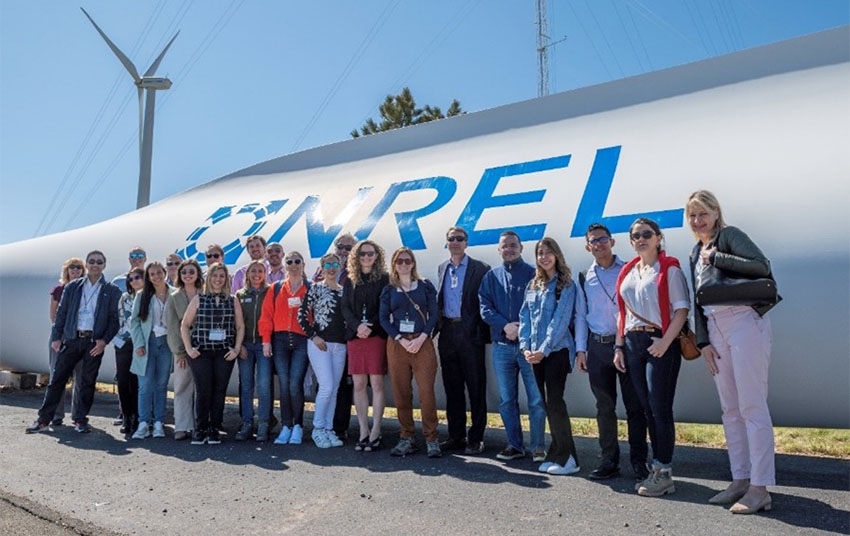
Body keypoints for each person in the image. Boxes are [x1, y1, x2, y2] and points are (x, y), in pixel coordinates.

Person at [687, 190, 777, 514]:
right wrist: (703, 342)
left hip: (743, 321)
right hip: (715, 329)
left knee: (752, 405)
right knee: (730, 409)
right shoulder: (694, 252)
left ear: (715, 213)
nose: (698, 221)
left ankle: (759, 488)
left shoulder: (729, 237)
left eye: (703, 214)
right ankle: (740, 479)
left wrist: (718, 258)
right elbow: (698, 299)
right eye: (692, 216)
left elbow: (760, 266)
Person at [614, 218, 690, 497]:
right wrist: (619, 347)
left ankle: (664, 471)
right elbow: (623, 313)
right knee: (646, 409)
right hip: (632, 343)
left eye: (647, 234)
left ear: (658, 238)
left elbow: (682, 309)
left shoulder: (669, 268)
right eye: (636, 236)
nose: (641, 239)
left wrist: (665, 342)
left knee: (660, 409)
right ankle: (656, 469)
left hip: (660, 340)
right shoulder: (628, 271)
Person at [574, 223, 649, 481]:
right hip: (597, 347)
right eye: (594, 241)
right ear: (587, 246)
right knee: (604, 407)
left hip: (627, 345)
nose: (599, 244)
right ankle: (609, 460)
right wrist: (581, 349)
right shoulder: (585, 276)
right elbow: (581, 316)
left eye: (603, 239)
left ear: (612, 242)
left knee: (635, 406)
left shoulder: (630, 269)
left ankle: (639, 462)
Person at [27, 250, 121, 434]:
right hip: (71, 339)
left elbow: (114, 320)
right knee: (57, 380)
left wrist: (103, 342)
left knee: (87, 382)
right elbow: (61, 313)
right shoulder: (73, 287)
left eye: (99, 262)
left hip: (93, 343)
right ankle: (43, 420)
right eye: (91, 261)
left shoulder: (111, 291)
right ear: (87, 264)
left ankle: (80, 420)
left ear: (104, 266)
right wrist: (56, 337)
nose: (95, 264)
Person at [519, 237, 586, 475]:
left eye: (548, 252)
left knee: (556, 402)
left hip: (556, 352)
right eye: (540, 253)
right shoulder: (533, 285)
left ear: (556, 255)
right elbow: (525, 317)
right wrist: (525, 346)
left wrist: (543, 350)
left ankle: (570, 458)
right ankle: (556, 453)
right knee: (547, 403)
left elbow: (559, 323)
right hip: (535, 354)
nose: (544, 257)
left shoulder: (565, 285)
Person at [479, 231, 546, 462]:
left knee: (536, 399)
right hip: (502, 347)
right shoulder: (491, 277)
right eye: (505, 246)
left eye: (513, 245)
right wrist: (505, 325)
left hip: (528, 348)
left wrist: (522, 328)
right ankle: (514, 445)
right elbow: (484, 307)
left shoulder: (533, 274)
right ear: (499, 250)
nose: (509, 249)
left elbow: (541, 307)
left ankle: (537, 447)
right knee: (507, 400)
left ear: (521, 247)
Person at [379, 248, 441, 458]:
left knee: (426, 393)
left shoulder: (425, 286)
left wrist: (423, 337)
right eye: (399, 261)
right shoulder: (389, 289)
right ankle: (407, 436)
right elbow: (384, 319)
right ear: (394, 265)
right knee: (401, 392)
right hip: (398, 344)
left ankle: (431, 438)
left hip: (422, 342)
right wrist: (400, 340)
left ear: (413, 263)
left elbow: (434, 314)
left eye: (407, 261)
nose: (404, 264)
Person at [435, 226, 490, 454]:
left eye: (460, 239)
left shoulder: (480, 268)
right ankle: (455, 436)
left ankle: (476, 437)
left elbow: (485, 302)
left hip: (470, 334)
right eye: (451, 239)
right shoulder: (442, 268)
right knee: (452, 387)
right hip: (448, 332)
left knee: (476, 387)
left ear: (466, 243)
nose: (455, 242)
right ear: (447, 243)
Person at [180, 263, 245, 445]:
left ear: (226, 279)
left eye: (222, 276)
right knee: (203, 390)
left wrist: (236, 348)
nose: (218, 279)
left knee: (219, 391)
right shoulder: (199, 299)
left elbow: (240, 326)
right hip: (202, 352)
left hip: (224, 352)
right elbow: (185, 325)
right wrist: (189, 349)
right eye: (215, 276)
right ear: (209, 278)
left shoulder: (232, 300)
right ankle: (200, 429)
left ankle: (214, 428)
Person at [342, 240, 389, 452]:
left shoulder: (385, 280)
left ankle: (376, 430)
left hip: (376, 335)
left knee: (377, 384)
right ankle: (363, 430)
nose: (366, 257)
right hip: (355, 337)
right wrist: (357, 326)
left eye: (370, 254)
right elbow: (345, 309)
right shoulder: (350, 280)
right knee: (359, 384)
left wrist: (370, 326)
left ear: (377, 256)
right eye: (362, 254)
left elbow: (385, 308)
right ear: (356, 257)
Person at [259, 251, 310, 445]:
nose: (294, 265)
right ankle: (286, 425)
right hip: (279, 340)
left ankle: (298, 425)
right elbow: (266, 315)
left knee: (295, 384)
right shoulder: (276, 288)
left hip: (302, 341)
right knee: (284, 383)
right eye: (290, 262)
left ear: (303, 264)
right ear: (285, 265)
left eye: (297, 261)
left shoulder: (310, 287)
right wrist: (266, 340)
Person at [299, 254, 348, 449]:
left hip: (340, 345)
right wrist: (313, 336)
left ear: (341, 266)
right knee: (326, 386)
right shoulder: (315, 289)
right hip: (320, 344)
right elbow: (301, 316)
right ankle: (317, 428)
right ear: (322, 267)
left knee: (334, 389)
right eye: (327, 264)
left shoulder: (345, 292)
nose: (331, 268)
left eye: (335, 264)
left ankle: (328, 428)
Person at [312, 233, 356, 440]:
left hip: (345, 339)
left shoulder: (355, 274)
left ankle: (338, 427)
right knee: (325, 384)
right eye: (341, 246)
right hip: (322, 340)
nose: (344, 251)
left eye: (349, 248)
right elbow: (308, 307)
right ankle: (320, 427)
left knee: (342, 386)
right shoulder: (320, 274)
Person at [130, 262, 174, 440]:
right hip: (148, 343)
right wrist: (139, 344)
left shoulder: (174, 293)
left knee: (162, 385)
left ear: (165, 273)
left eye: (159, 272)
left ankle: (158, 423)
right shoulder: (143, 295)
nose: (156, 276)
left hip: (167, 343)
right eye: (152, 274)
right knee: (145, 385)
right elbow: (134, 322)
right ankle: (143, 423)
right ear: (148, 277)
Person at [164, 259, 202, 441]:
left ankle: (198, 424)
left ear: (197, 274)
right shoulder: (174, 297)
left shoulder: (205, 293)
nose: (188, 275)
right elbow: (171, 326)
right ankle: (182, 425)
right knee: (181, 387)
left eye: (191, 272)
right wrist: (179, 351)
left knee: (201, 388)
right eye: (184, 272)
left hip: (203, 348)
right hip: (182, 349)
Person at [234, 260, 272, 441]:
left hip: (264, 345)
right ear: (247, 274)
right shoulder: (240, 295)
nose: (257, 274)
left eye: (260, 271)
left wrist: (268, 341)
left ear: (265, 274)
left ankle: (264, 424)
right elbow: (235, 323)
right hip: (246, 345)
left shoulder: (270, 292)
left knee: (264, 386)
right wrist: (238, 344)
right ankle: (247, 423)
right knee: (247, 386)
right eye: (253, 271)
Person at [47, 257, 85, 426]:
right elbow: (53, 316)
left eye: (79, 267)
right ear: (67, 271)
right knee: (57, 376)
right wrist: (58, 337)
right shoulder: (59, 290)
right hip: (61, 337)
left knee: (81, 377)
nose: (75, 270)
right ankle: (55, 415)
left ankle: (78, 416)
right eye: (72, 268)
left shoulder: (87, 290)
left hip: (81, 337)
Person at [110, 246, 146, 426]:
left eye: (138, 277)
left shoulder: (149, 297)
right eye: (131, 278)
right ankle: (126, 416)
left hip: (142, 343)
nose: (134, 280)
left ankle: (139, 416)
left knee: (138, 381)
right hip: (124, 342)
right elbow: (121, 319)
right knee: (123, 380)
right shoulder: (124, 297)